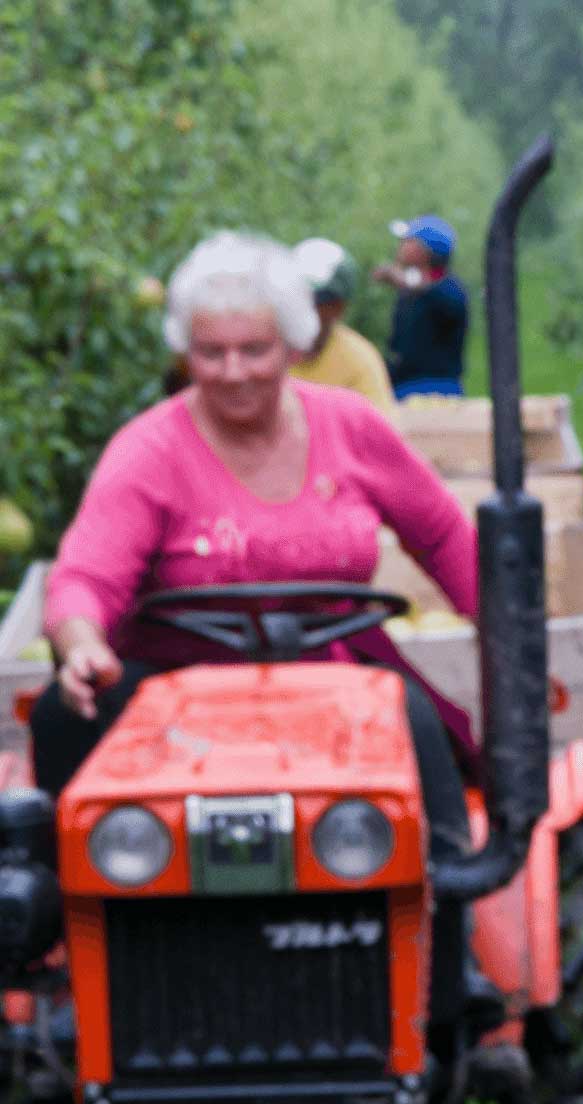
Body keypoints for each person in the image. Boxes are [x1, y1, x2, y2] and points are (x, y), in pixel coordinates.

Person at [33, 230, 478, 1007]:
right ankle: (81, 961)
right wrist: (81, 645)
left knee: (419, 734)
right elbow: (84, 576)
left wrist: (504, 622)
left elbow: (440, 533)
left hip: (334, 676)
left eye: (254, 350)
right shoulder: (149, 450)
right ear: (187, 355)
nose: (233, 371)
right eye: (211, 353)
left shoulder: (350, 426)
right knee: (67, 720)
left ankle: (445, 977)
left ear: (293, 346)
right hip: (178, 685)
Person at [288, 237, 395, 411]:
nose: (299, 308)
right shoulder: (266, 352)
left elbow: (378, 422)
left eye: (313, 301)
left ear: (337, 307)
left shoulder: (358, 360)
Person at [372, 214, 468, 399]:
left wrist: (402, 279)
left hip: (437, 394)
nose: (401, 245)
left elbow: (434, 293)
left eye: (408, 240)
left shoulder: (450, 290)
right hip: (402, 388)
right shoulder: (410, 291)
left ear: (425, 250)